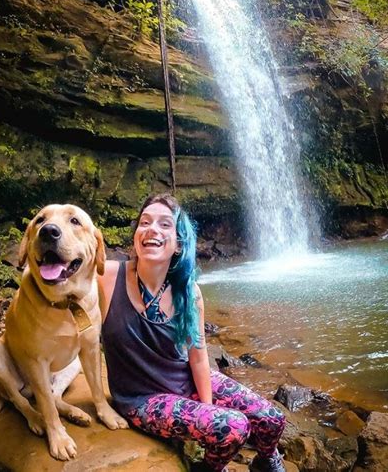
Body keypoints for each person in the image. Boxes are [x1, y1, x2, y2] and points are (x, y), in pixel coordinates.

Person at [99, 193, 286, 472]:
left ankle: (266, 459)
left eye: (164, 225)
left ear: (178, 243)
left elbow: (198, 358)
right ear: (136, 235)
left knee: (272, 418)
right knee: (233, 427)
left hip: (183, 378)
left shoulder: (188, 292)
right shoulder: (106, 276)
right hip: (141, 399)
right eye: (145, 222)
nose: (152, 229)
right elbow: (59, 283)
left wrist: (207, 411)